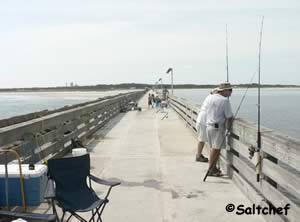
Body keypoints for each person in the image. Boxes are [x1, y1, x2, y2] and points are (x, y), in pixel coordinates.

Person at [205, 82, 233, 176]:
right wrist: (228, 129)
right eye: (230, 90)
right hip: (217, 128)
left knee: (213, 148)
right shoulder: (224, 100)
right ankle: (211, 170)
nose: (231, 92)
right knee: (216, 149)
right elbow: (229, 116)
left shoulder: (210, 97)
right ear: (224, 91)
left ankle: (213, 168)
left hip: (209, 126)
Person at [195, 88, 218, 162]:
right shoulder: (213, 99)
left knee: (201, 139)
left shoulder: (208, 98)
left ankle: (199, 155)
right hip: (203, 122)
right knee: (204, 140)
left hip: (201, 121)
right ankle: (199, 156)